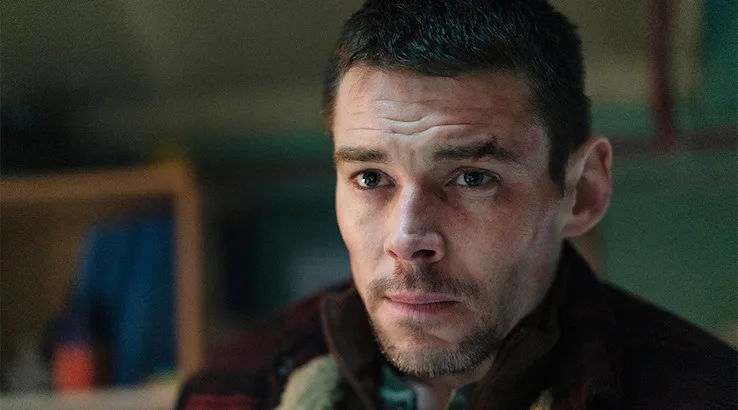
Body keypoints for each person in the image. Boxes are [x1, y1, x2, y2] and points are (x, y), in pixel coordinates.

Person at [177, 0, 737, 409]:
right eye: (370, 178)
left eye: (472, 178)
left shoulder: (705, 394)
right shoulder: (229, 391)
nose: (406, 238)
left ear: (582, 191)